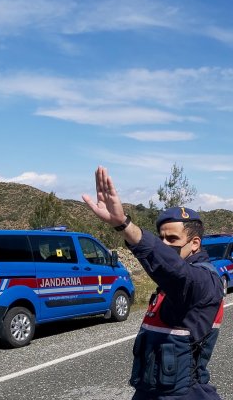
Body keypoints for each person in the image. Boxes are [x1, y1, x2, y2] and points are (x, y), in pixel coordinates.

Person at [82, 166, 224, 400]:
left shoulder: (203, 281)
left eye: (173, 239)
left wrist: (126, 226)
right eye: (161, 238)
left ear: (195, 244)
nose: (165, 244)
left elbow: (176, 271)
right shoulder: (170, 281)